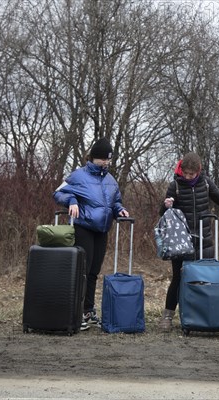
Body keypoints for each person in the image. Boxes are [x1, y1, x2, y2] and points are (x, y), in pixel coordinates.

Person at [158, 152, 219, 331]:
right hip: (181, 241)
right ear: (181, 170)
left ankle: (205, 317)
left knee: (205, 279)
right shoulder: (174, 186)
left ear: (198, 171)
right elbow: (162, 212)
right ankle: (167, 317)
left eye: (192, 174)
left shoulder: (206, 183)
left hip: (204, 239)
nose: (188, 177)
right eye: (185, 173)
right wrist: (166, 205)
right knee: (178, 278)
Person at [53, 137, 130, 331]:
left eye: (108, 159)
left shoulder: (111, 180)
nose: (106, 162)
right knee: (83, 271)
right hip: (84, 227)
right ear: (93, 158)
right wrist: (71, 200)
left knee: (94, 272)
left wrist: (119, 209)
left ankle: (88, 310)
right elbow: (57, 193)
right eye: (103, 159)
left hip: (102, 230)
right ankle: (76, 312)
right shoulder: (78, 176)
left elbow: (115, 201)